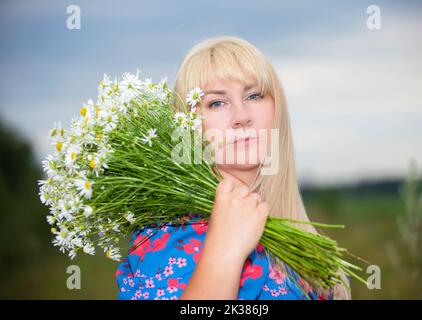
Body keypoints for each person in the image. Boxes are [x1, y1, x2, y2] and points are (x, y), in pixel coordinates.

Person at [115, 36, 351, 300]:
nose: (241, 117)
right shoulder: (168, 238)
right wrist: (224, 249)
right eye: (217, 103)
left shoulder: (305, 247)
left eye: (254, 95)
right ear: (188, 128)